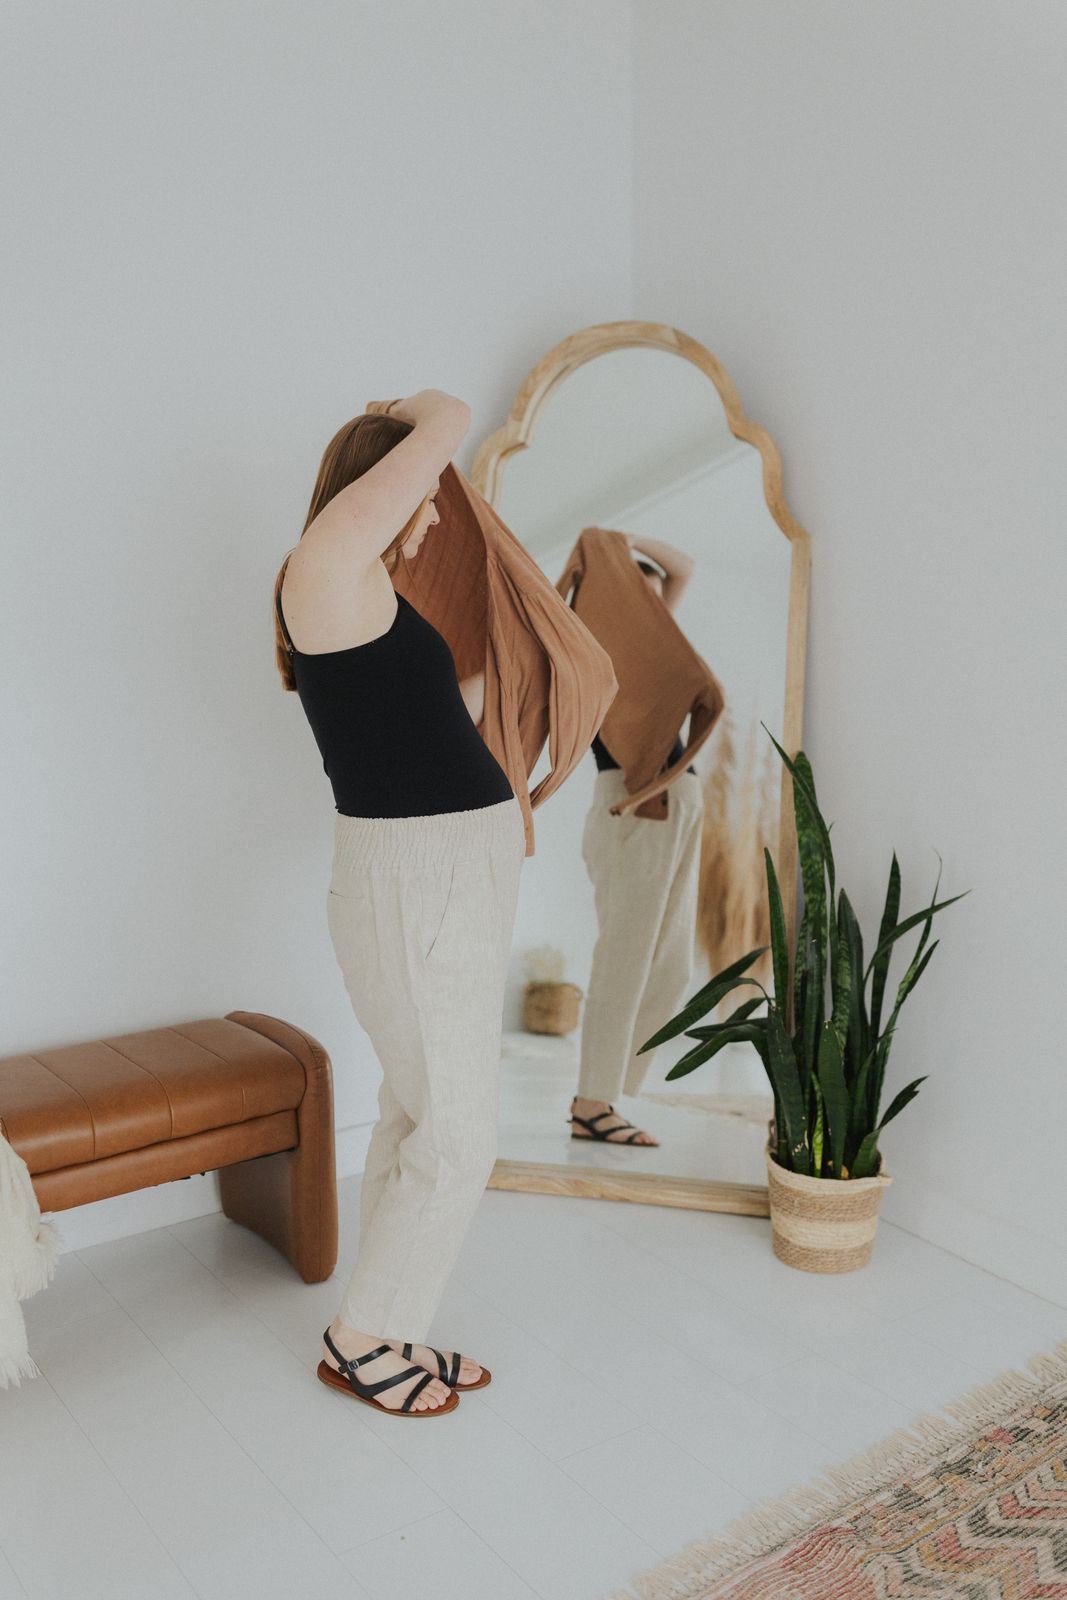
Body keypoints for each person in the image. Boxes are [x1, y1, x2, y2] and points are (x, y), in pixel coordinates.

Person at [273, 389, 526, 1417]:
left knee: (421, 1113)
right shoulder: (325, 566)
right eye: (424, 493)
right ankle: (358, 1338)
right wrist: (418, 414)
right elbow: (449, 418)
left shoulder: (368, 592)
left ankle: (388, 1323)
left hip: (446, 871)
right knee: (459, 1133)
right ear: (383, 482)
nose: (429, 516)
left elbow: (422, 724)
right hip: (416, 879)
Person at [569, 537, 705, 1149]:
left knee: (672, 967)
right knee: (624, 957)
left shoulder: (653, 650)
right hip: (633, 802)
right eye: (638, 599)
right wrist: (609, 565)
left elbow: (684, 568)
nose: (652, 610)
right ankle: (593, 1102)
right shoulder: (590, 650)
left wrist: (623, 545)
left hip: (679, 800)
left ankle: (607, 1092)